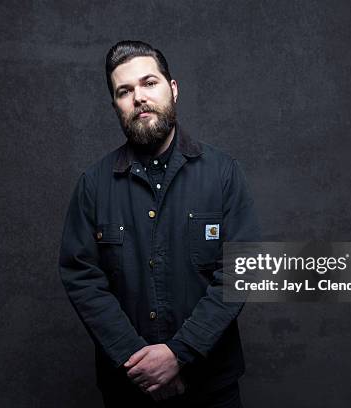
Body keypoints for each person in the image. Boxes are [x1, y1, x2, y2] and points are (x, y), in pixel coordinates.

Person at [59, 40, 260, 407]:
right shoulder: (93, 185)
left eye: (149, 83)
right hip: (128, 391)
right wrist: (139, 362)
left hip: (212, 388)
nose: (138, 97)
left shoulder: (223, 173)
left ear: (173, 88)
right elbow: (81, 277)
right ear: (116, 105)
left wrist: (179, 354)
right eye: (125, 91)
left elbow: (240, 272)